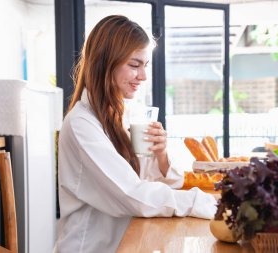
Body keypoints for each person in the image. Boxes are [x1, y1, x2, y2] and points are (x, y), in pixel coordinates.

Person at [54, 15, 217, 253]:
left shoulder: (121, 115)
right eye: (134, 65)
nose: (143, 76)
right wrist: (201, 201)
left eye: (145, 65)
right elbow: (133, 195)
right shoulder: (81, 124)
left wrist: (160, 156)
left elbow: (150, 182)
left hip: (127, 243)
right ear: (105, 62)